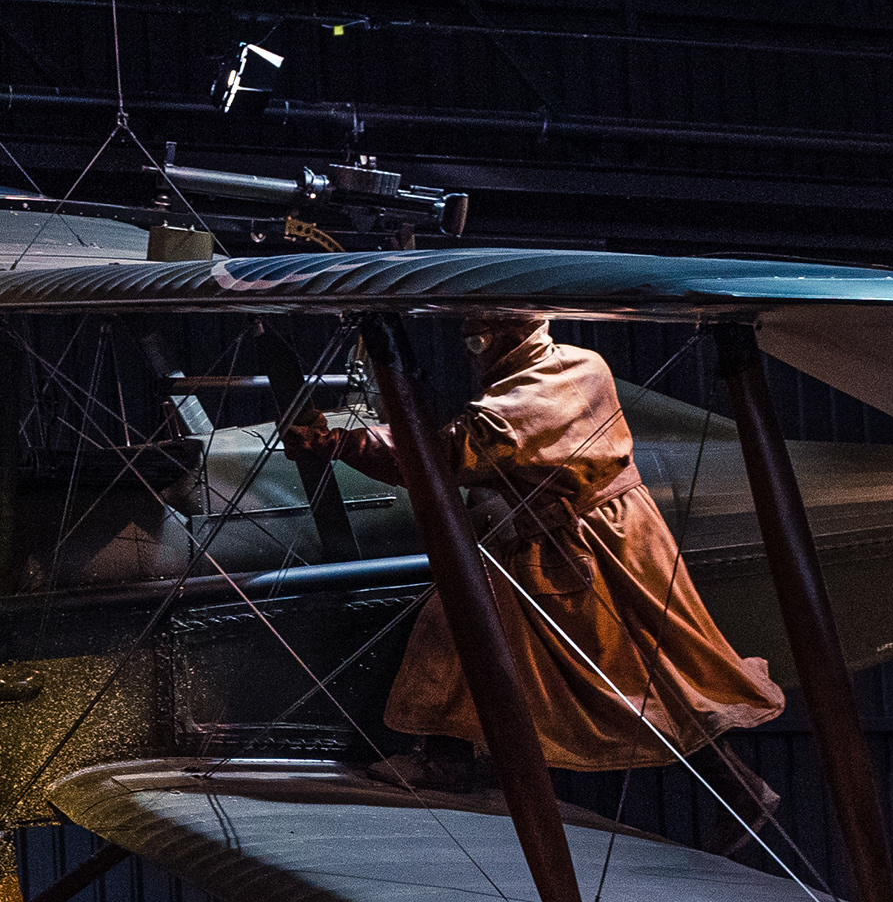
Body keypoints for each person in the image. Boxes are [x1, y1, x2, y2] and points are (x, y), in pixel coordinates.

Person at [285, 312, 782, 778]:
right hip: (550, 538)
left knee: (638, 678)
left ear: (495, 335)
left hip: (596, 544)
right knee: (457, 624)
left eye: (476, 338)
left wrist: (345, 443)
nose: (471, 351)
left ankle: (739, 788)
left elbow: (459, 450)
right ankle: (448, 758)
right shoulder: (535, 374)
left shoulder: (562, 374)